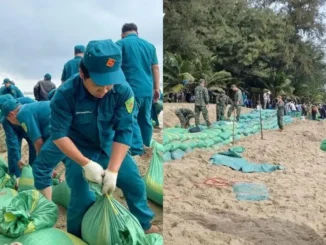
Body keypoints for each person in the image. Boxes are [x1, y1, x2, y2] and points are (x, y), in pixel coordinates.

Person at [50, 39, 158, 238]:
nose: (104, 92)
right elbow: (58, 135)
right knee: (81, 196)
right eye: (99, 86)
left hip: (110, 146)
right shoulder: (64, 95)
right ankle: (76, 236)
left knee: (134, 182)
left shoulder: (123, 91)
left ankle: (144, 223)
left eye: (109, 85)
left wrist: (114, 170)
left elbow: (124, 131)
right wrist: (85, 163)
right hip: (78, 149)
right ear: (83, 74)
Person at [0, 95, 64, 200]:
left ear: (11, 114)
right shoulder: (12, 116)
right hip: (55, 129)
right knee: (45, 162)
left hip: (50, 131)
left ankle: (46, 203)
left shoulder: (24, 110)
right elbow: (12, 142)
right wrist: (17, 159)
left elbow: (38, 141)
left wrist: (43, 162)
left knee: (40, 166)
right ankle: (18, 176)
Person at [116, 23, 160, 156]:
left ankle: (136, 149)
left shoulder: (120, 44)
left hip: (130, 91)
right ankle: (146, 145)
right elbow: (156, 68)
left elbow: (114, 66)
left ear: (122, 34)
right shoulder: (150, 46)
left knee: (131, 118)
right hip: (147, 90)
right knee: (145, 119)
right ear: (137, 32)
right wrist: (156, 88)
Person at [0, 95, 36, 182]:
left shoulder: (29, 103)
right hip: (16, 131)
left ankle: (34, 173)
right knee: (13, 153)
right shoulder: (6, 119)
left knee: (35, 149)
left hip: (31, 129)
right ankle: (15, 176)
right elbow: (12, 141)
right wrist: (17, 159)